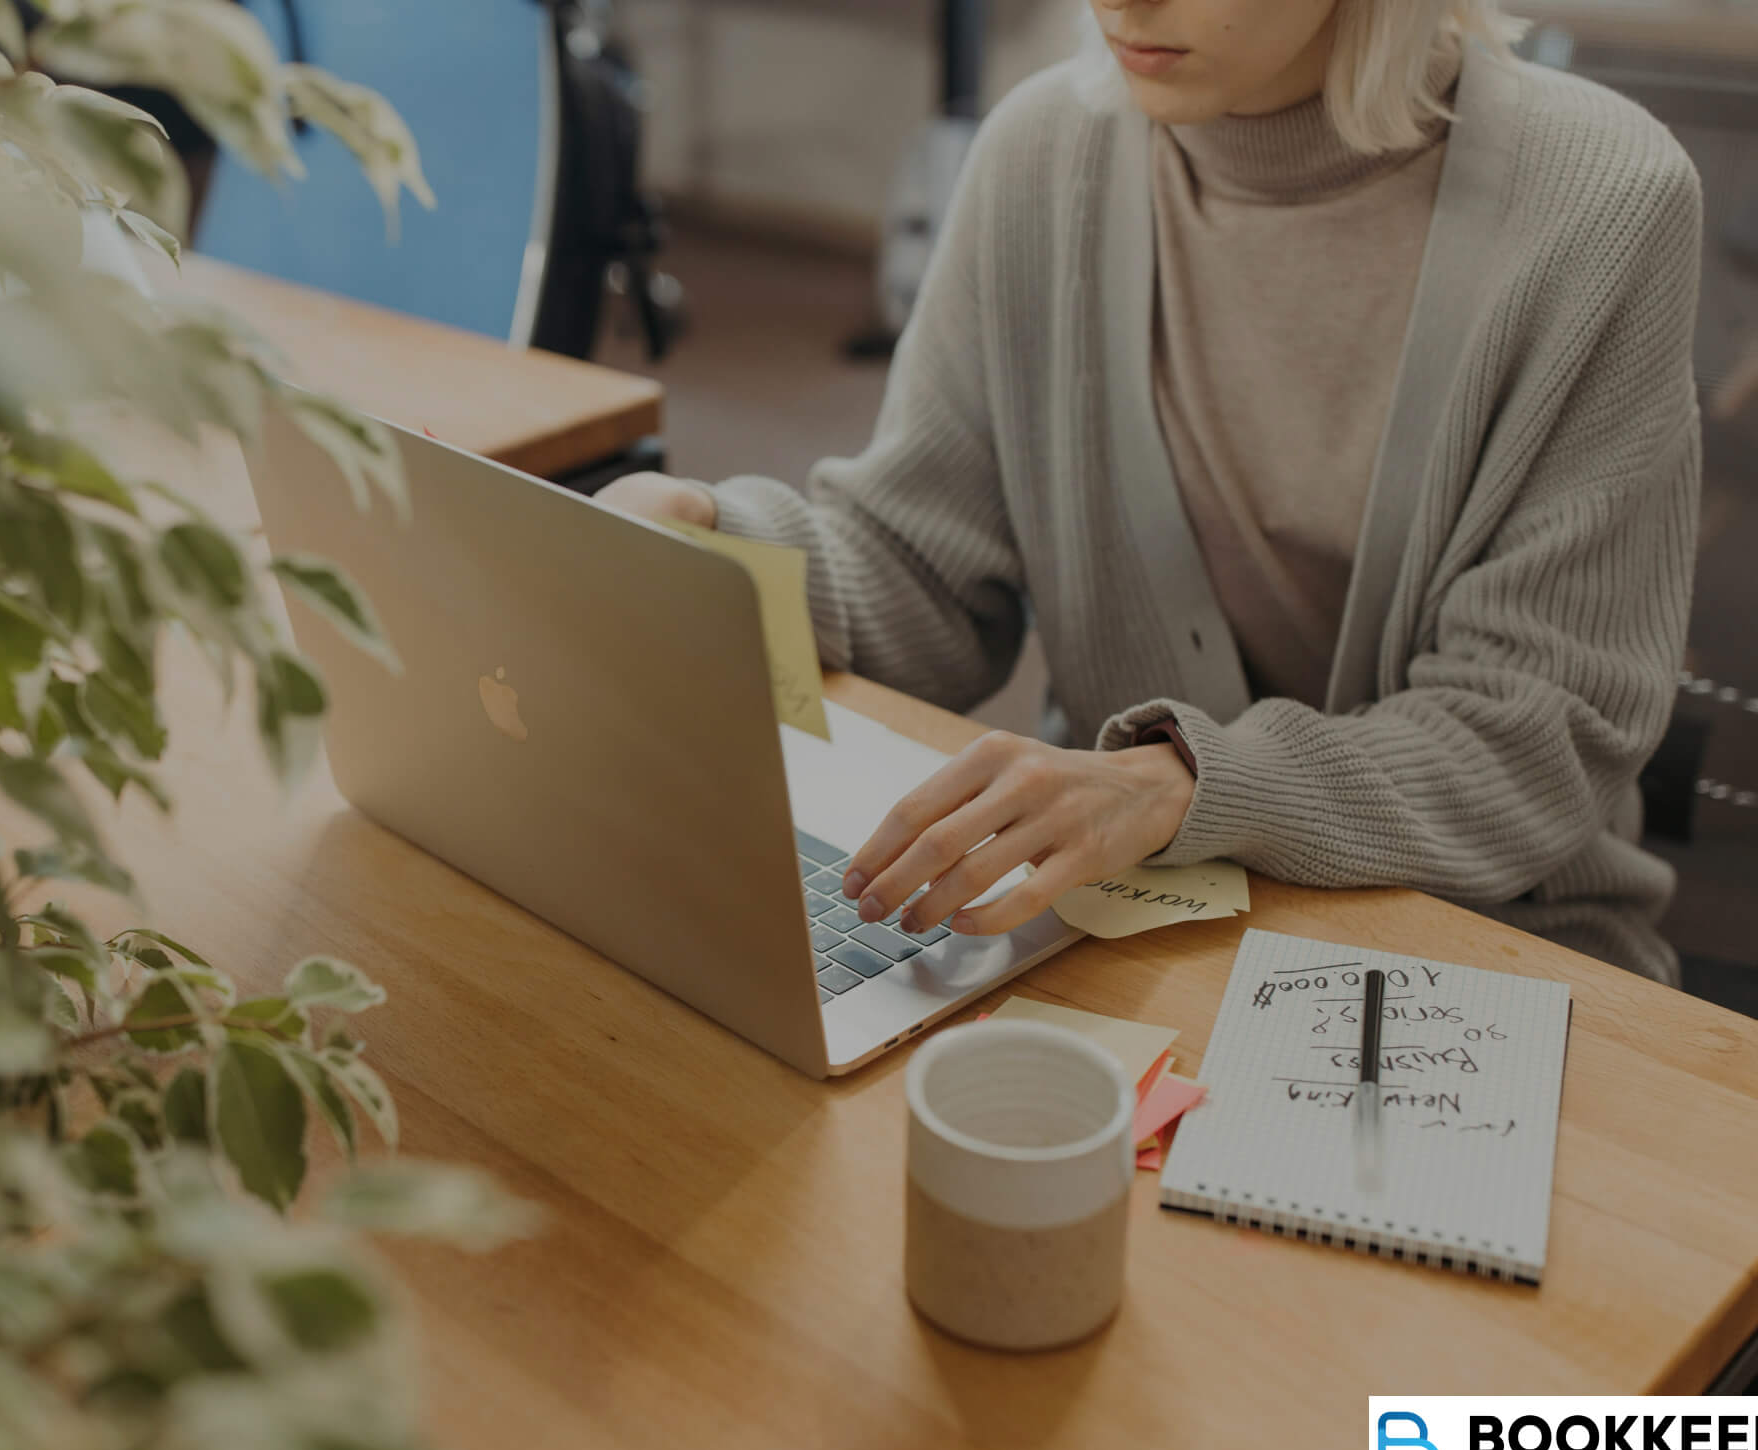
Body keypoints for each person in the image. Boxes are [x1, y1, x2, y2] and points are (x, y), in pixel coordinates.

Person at [596, 0, 1702, 984]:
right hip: (1129, 918)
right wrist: (723, 545)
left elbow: (1531, 735)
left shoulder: (1600, 199)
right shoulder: (1041, 153)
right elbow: (923, 564)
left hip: (1485, 939)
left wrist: (1177, 788)